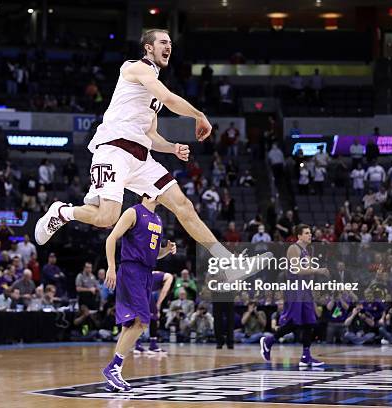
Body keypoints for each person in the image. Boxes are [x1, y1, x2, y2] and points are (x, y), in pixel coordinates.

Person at [33, 29, 266, 284]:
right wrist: (199, 115)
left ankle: (227, 262)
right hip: (114, 150)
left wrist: (172, 147)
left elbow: (151, 134)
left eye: (170, 43)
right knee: (107, 218)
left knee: (184, 206)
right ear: (148, 48)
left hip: (141, 158)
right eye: (163, 42)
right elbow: (168, 98)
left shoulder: (151, 90)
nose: (169, 47)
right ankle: (63, 212)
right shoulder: (135, 68)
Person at [101, 196, 176, 391]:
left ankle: (114, 374)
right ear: (145, 192)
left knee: (131, 324)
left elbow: (153, 253)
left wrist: (166, 250)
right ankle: (113, 367)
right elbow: (111, 238)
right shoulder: (133, 212)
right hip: (131, 270)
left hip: (146, 273)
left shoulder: (158, 219)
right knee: (143, 320)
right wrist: (111, 267)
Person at [260, 224, 329, 367]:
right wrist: (318, 270)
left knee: (309, 322)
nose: (310, 235)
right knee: (294, 322)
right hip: (294, 288)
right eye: (307, 233)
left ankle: (306, 356)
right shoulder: (293, 249)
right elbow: (297, 270)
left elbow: (308, 272)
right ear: (299, 236)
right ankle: (268, 341)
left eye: (310, 232)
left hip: (305, 289)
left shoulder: (307, 251)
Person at [134, 270, 173, 354]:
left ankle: (138, 345)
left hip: (134, 289)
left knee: (140, 318)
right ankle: (153, 346)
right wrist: (158, 305)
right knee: (154, 317)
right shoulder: (169, 277)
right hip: (143, 291)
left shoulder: (156, 274)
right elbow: (164, 291)